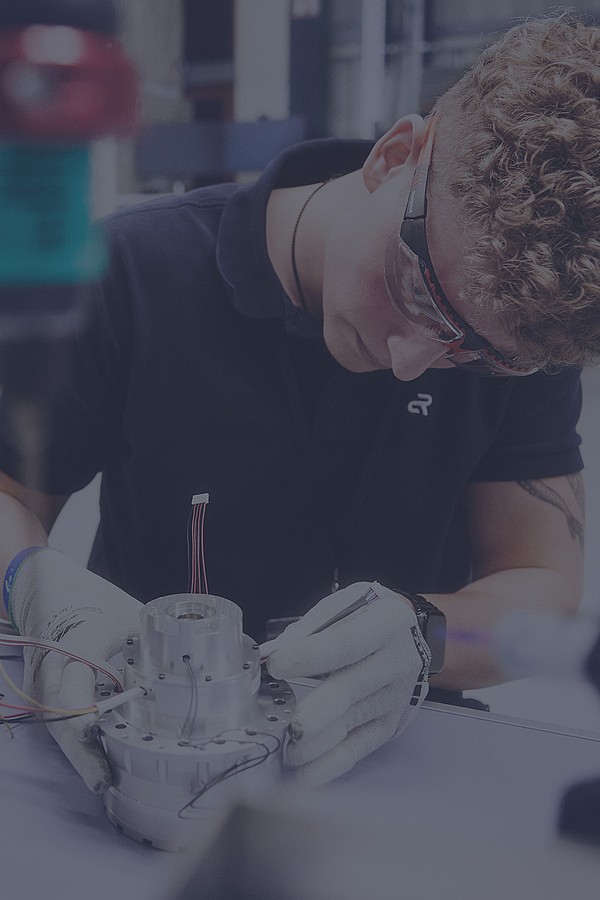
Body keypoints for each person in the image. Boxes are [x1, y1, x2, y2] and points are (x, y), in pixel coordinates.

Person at [0, 12, 597, 791]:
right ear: (394, 157)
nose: (411, 362)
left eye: (476, 354)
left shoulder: (523, 331)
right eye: (415, 290)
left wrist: (425, 637)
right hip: (138, 750)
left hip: (389, 759)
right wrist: (38, 584)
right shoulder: (133, 274)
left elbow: (541, 592)